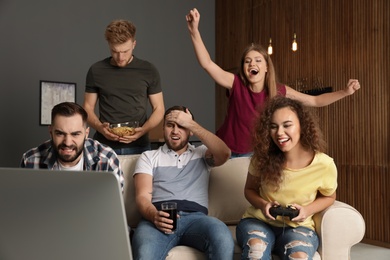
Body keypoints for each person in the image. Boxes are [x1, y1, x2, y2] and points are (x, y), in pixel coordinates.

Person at [186, 8, 361, 157]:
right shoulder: (236, 83)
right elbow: (207, 64)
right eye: (247, 61)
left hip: (255, 155)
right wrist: (194, 31)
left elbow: (315, 101)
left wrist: (345, 92)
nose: (252, 64)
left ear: (266, 67)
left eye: (257, 60)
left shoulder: (278, 90)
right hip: (226, 151)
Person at [235, 96, 337, 259]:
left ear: (302, 126)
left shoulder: (324, 164)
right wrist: (263, 205)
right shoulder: (261, 158)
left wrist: (307, 210)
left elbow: (330, 196)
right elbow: (249, 190)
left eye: (287, 125)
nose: (279, 133)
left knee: (299, 256)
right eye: (273, 127)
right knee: (256, 252)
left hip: (299, 227)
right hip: (258, 222)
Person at [131, 105, 234, 260]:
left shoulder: (202, 154)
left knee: (222, 237)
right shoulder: (149, 156)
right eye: (170, 125)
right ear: (163, 127)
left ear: (190, 130)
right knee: (144, 251)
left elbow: (225, 153)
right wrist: (154, 216)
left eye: (181, 126)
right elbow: (142, 197)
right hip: (158, 218)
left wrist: (191, 123)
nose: (175, 131)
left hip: (196, 219)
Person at [83, 19, 165, 155]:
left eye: (125, 51)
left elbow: (159, 108)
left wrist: (143, 130)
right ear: (109, 45)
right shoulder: (96, 70)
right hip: (104, 146)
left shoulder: (149, 70)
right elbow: (87, 107)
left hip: (140, 146)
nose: (120, 57)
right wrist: (100, 128)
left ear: (134, 44)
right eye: (115, 51)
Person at [20, 102, 123, 187]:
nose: (67, 142)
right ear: (50, 132)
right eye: (60, 133)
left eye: (75, 134)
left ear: (86, 134)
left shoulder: (107, 159)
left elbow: (113, 207)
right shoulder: (31, 160)